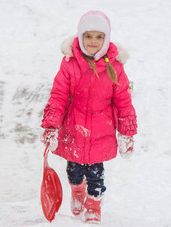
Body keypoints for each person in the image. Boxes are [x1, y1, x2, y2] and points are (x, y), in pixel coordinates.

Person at [41, 10, 137, 223]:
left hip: (101, 131)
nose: (93, 41)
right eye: (88, 36)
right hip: (73, 128)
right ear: (80, 36)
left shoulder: (115, 67)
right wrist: (51, 125)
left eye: (99, 36)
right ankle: (77, 191)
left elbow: (123, 100)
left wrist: (126, 132)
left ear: (106, 38)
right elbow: (58, 95)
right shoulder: (69, 63)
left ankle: (93, 204)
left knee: (96, 173)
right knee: (74, 171)